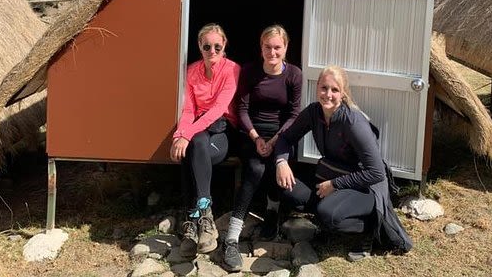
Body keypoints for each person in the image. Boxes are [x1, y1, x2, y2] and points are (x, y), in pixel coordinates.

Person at [273, 66, 413, 261]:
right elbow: (285, 138)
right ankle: (332, 216)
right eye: (323, 88)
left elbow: (377, 173)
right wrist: (281, 162)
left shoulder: (353, 122)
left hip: (366, 187)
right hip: (332, 175)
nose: (328, 94)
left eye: (334, 90)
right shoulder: (314, 112)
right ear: (317, 88)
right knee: (290, 191)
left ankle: (369, 228)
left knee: (327, 214)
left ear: (343, 92)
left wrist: (335, 185)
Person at [222, 25, 302, 272]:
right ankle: (232, 237)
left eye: (277, 47)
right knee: (256, 169)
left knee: (275, 166)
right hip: (252, 132)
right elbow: (242, 109)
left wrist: (277, 139)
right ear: (261, 47)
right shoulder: (250, 71)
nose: (272, 52)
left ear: (285, 48)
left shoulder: (294, 75)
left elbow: (294, 113)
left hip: (282, 134)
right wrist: (256, 137)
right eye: (267, 47)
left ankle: (272, 212)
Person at [170, 23, 240, 258]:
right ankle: (204, 213)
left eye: (217, 46)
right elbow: (189, 110)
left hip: (221, 131)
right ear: (199, 46)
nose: (212, 51)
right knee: (195, 146)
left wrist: (185, 136)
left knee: (192, 150)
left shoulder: (232, 70)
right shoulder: (192, 71)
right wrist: (181, 134)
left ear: (224, 46)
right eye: (207, 46)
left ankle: (191, 219)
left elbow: (218, 109)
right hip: (199, 132)